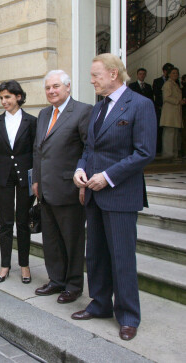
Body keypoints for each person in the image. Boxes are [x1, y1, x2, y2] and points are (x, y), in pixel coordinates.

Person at [72, 53, 156, 341]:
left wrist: (106, 177)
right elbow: (89, 149)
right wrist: (80, 171)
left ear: (113, 74)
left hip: (120, 194)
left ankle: (129, 315)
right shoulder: (97, 109)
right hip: (93, 195)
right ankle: (99, 303)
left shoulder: (141, 104)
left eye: (95, 75)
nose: (91, 80)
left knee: (122, 257)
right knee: (95, 255)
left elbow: (144, 152)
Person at [32, 70, 92, 303]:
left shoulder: (83, 111)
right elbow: (39, 151)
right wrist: (36, 180)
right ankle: (56, 280)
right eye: (48, 88)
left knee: (72, 241)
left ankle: (73, 285)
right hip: (45, 189)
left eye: (56, 86)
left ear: (68, 87)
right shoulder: (44, 113)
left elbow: (89, 149)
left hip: (70, 189)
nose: (51, 91)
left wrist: (83, 182)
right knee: (52, 240)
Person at [0, 80, 36, 284]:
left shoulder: (32, 121)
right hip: (2, 178)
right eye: (1, 98)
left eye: (7, 97)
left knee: (23, 223)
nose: (4, 101)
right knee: (5, 223)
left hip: (26, 179)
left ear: (18, 97)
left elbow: (36, 153)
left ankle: (24, 265)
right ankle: (5, 265)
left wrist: (37, 180)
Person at [160, 67, 184, 159]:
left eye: (176, 73)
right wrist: (178, 101)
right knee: (169, 134)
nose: (175, 75)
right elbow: (166, 97)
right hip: (169, 113)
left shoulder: (175, 84)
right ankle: (168, 154)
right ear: (169, 74)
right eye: (173, 73)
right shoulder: (168, 84)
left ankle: (174, 153)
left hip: (175, 112)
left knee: (175, 134)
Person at [153, 63, 174, 153]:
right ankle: (158, 148)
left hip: (170, 109)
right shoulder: (157, 81)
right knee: (159, 129)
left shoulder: (174, 82)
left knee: (169, 129)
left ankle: (168, 150)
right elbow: (156, 94)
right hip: (160, 107)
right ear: (164, 71)